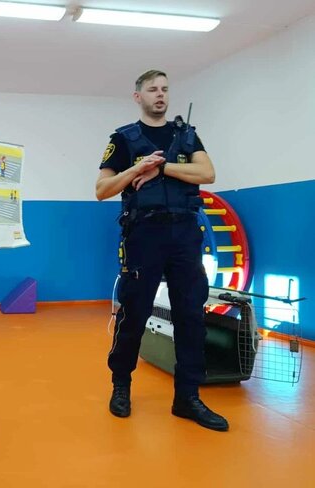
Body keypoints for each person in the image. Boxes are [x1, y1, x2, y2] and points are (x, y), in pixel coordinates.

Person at [95, 69, 229, 432]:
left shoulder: (185, 135)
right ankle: (121, 385)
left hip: (185, 234)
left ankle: (187, 397)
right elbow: (102, 190)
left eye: (165, 89)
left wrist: (162, 167)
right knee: (134, 313)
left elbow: (208, 174)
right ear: (137, 96)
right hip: (144, 233)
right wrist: (137, 168)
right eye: (153, 89)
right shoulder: (123, 138)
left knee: (191, 316)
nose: (160, 95)